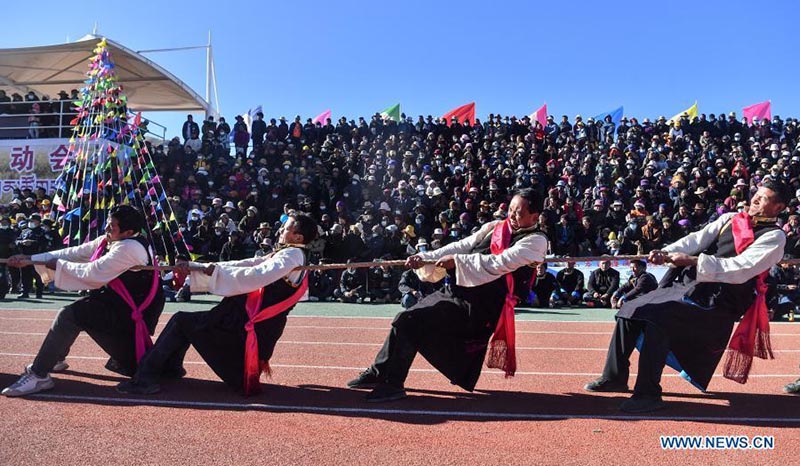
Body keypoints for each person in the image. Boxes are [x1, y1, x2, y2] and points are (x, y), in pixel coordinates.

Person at [584, 181, 790, 413]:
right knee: (629, 309)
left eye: (764, 198)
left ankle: (648, 394)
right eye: (756, 195)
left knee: (657, 319)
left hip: (718, 300)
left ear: (778, 207)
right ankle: (614, 377)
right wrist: (666, 252)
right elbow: (695, 240)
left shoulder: (775, 237)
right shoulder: (731, 218)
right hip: (687, 285)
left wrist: (691, 261)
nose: (755, 200)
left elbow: (740, 269)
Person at [347, 189, 547, 402]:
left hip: (481, 307)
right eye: (511, 210)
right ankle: (380, 372)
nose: (512, 216)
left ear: (535, 217)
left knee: (410, 321)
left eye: (519, 213)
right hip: (457, 291)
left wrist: (457, 262)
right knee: (403, 318)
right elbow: (462, 246)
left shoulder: (536, 241)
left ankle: (393, 384)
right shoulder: (495, 227)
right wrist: (425, 257)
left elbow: (498, 263)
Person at [117, 213, 318, 396]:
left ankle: (145, 379)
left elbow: (257, 275)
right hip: (241, 323)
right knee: (184, 323)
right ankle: (170, 368)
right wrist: (199, 267)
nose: (281, 230)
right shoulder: (289, 254)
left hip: (239, 330)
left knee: (180, 321)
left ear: (298, 237)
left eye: (286, 228)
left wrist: (213, 271)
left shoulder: (291, 255)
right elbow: (248, 264)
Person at [2, 206, 165, 396]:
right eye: (107, 223)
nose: (106, 228)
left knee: (70, 315)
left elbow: (92, 273)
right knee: (78, 312)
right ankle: (54, 359)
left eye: (111, 226)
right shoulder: (112, 240)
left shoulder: (129, 248)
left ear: (128, 232)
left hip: (126, 320)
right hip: (117, 308)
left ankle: (39, 374)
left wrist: (57, 265)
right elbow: (76, 252)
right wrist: (30, 259)